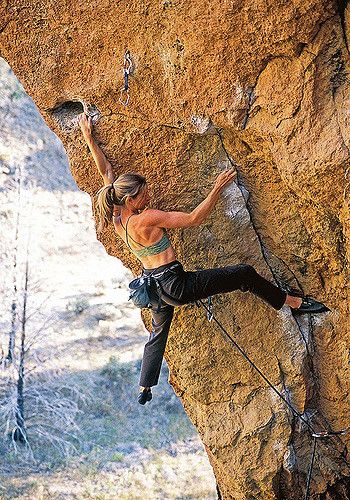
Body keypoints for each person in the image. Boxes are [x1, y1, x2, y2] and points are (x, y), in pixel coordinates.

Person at [78, 113, 329, 405]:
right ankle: (292, 303)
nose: (149, 197)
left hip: (153, 290)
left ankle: (145, 386)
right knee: (244, 274)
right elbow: (194, 218)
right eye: (144, 195)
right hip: (176, 285)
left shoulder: (119, 218)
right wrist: (217, 188)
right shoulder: (147, 218)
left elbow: (106, 173)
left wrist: (88, 137)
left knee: (158, 332)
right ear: (131, 200)